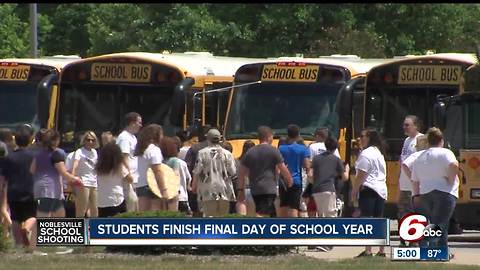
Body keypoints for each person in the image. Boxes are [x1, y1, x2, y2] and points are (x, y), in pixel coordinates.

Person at [30, 129, 81, 255]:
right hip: (49, 188)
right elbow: (63, 172)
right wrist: (75, 179)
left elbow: (32, 170)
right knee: (43, 217)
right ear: (55, 140)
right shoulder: (57, 154)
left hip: (43, 186)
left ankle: (58, 244)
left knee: (59, 214)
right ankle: (33, 247)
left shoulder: (39, 154)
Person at [410, 127, 458, 254]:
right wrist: (451, 179)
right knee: (440, 224)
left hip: (425, 193)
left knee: (434, 223)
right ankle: (433, 251)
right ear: (441, 140)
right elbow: (454, 165)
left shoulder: (420, 157)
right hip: (444, 192)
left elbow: (415, 179)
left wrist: (416, 196)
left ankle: (437, 251)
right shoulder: (446, 153)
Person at [238, 126, 292, 217]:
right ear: (268, 136)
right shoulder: (274, 151)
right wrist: (289, 180)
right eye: (272, 136)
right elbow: (282, 168)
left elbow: (241, 172)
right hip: (269, 188)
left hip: (255, 188)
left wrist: (240, 190)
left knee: (269, 212)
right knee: (263, 214)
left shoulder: (250, 152)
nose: (272, 139)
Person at [351, 128, 387, 257]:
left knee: (368, 220)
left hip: (368, 189)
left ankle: (368, 250)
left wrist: (354, 191)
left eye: (362, 136)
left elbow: (361, 175)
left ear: (369, 138)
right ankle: (382, 251)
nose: (359, 139)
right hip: (381, 190)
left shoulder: (366, 153)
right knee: (379, 220)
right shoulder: (379, 153)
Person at [1, 125, 36, 251]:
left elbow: (3, 178)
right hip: (29, 189)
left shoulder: (8, 157)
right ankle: (26, 228)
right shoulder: (33, 156)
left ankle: (18, 244)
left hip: (13, 191)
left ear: (16, 140)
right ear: (30, 140)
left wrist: (2, 189)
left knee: (15, 218)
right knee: (32, 215)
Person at [192, 129, 236, 217]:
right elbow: (233, 172)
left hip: (207, 190)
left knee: (209, 218)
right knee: (222, 218)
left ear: (207, 139)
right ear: (220, 139)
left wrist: (194, 185)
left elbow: (197, 171)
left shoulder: (202, 153)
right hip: (224, 190)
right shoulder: (227, 154)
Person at [397, 115, 423, 246]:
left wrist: (415, 180)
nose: (404, 127)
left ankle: (415, 242)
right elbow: (402, 162)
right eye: (404, 125)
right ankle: (404, 240)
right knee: (403, 213)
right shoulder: (407, 140)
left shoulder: (421, 140)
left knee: (414, 214)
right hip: (404, 185)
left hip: (415, 186)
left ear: (416, 126)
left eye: (407, 125)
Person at [309, 137, 349, 218]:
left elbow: (310, 175)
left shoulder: (316, 158)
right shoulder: (336, 160)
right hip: (329, 189)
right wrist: (347, 169)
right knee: (330, 216)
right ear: (336, 148)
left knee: (320, 214)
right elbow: (345, 177)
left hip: (316, 190)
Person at [278, 124, 310, 217]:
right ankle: (293, 228)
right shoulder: (303, 149)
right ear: (298, 135)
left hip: (283, 181)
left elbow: (278, 164)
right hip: (296, 181)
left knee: (283, 205)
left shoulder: (281, 148)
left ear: (287, 135)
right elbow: (306, 165)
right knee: (294, 207)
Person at [135, 124, 167, 211]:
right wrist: (164, 189)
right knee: (155, 215)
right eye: (161, 134)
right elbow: (157, 171)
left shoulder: (142, 150)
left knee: (143, 216)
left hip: (141, 185)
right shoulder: (154, 150)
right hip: (152, 186)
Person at [116, 112, 142, 212]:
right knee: (131, 203)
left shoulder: (133, 137)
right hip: (127, 177)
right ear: (132, 123)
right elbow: (124, 157)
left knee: (135, 203)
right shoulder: (124, 137)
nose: (141, 125)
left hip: (134, 177)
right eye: (139, 122)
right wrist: (128, 173)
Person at [96, 142, 129, 217]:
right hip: (116, 199)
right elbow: (130, 179)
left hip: (101, 201)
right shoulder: (119, 168)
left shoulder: (98, 168)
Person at [185, 125, 211, 216]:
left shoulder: (194, 148)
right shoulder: (220, 148)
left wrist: (190, 184)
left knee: (198, 212)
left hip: (199, 185)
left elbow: (188, 167)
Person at [71, 131, 99, 218]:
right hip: (83, 183)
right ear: (84, 140)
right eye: (88, 140)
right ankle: (79, 229)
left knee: (95, 209)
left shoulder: (94, 152)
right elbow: (75, 163)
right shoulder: (79, 151)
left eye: (92, 140)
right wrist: (72, 177)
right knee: (81, 209)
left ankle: (94, 229)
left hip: (94, 183)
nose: (90, 142)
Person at [235, 140, 256, 216]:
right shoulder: (257, 162)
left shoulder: (237, 161)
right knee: (253, 216)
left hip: (241, 189)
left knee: (242, 217)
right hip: (254, 190)